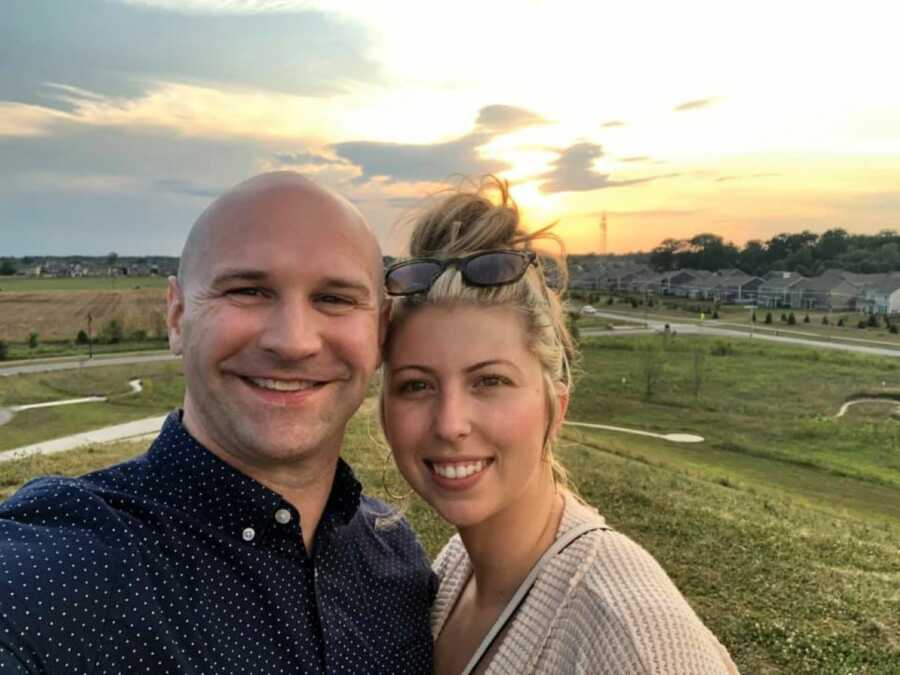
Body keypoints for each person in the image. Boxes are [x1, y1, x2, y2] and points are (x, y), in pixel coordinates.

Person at [0, 172, 435, 674]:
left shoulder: (399, 564)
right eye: (248, 290)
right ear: (176, 315)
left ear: (379, 331)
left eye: (334, 299)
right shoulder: (58, 571)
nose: (293, 341)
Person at [379, 177, 738, 674]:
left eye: (490, 380)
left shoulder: (633, 637)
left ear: (556, 403)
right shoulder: (456, 568)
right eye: (417, 385)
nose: (450, 423)